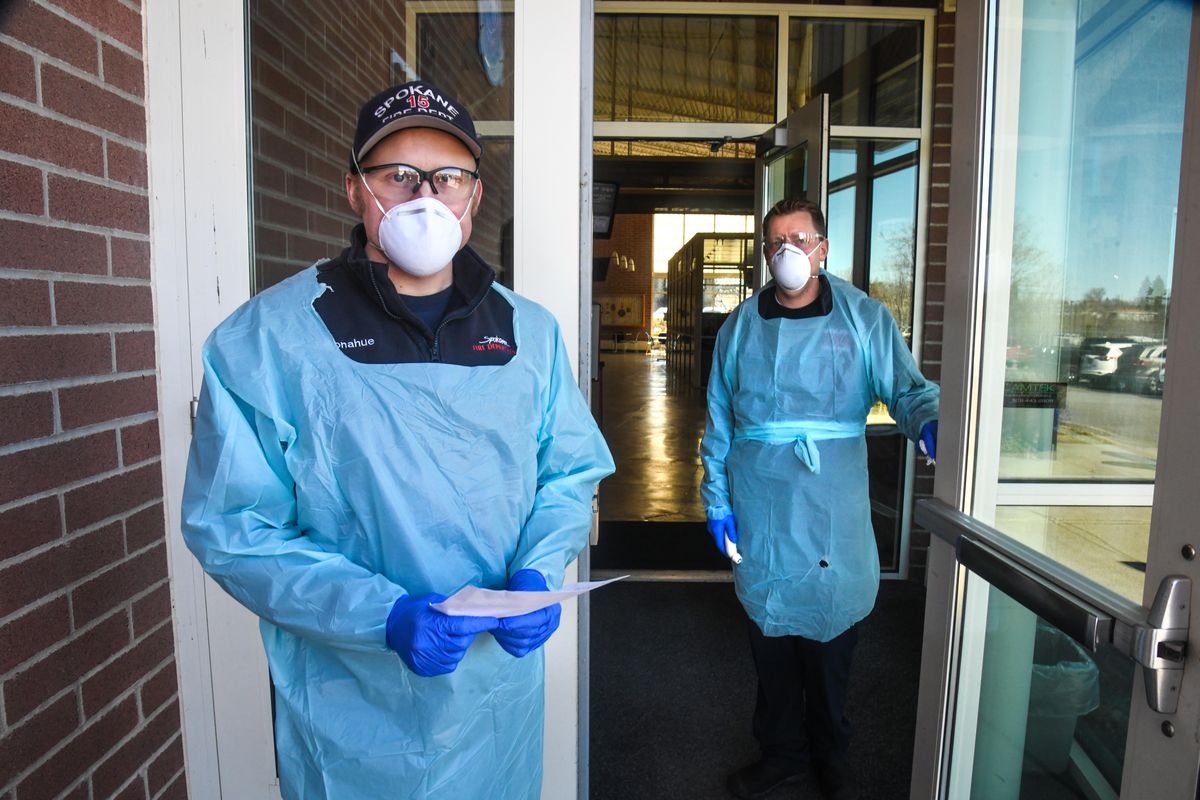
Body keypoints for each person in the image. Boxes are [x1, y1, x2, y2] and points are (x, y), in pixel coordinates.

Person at [182, 81, 614, 800]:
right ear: (355, 191)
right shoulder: (270, 338)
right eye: (397, 176)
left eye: (447, 178)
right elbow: (234, 525)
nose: (424, 197)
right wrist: (382, 615)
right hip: (351, 707)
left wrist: (537, 571)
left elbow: (567, 474)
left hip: (493, 702)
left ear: (475, 197)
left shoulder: (527, 333)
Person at [699, 198, 939, 800]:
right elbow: (719, 423)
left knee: (830, 645)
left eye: (799, 239)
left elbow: (905, 387)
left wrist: (931, 421)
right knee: (772, 638)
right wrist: (717, 499)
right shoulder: (740, 327)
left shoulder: (861, 318)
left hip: (832, 508)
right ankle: (781, 753)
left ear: (823, 248)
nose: (787, 253)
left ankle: (832, 756)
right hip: (762, 506)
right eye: (775, 241)